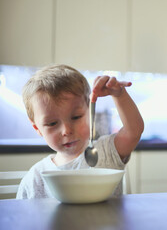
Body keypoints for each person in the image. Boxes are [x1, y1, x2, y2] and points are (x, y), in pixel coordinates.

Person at [17, 64, 144, 199]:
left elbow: (134, 131)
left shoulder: (106, 151)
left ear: (90, 111)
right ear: (37, 128)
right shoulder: (34, 178)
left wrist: (119, 95)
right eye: (52, 123)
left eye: (76, 117)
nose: (67, 130)